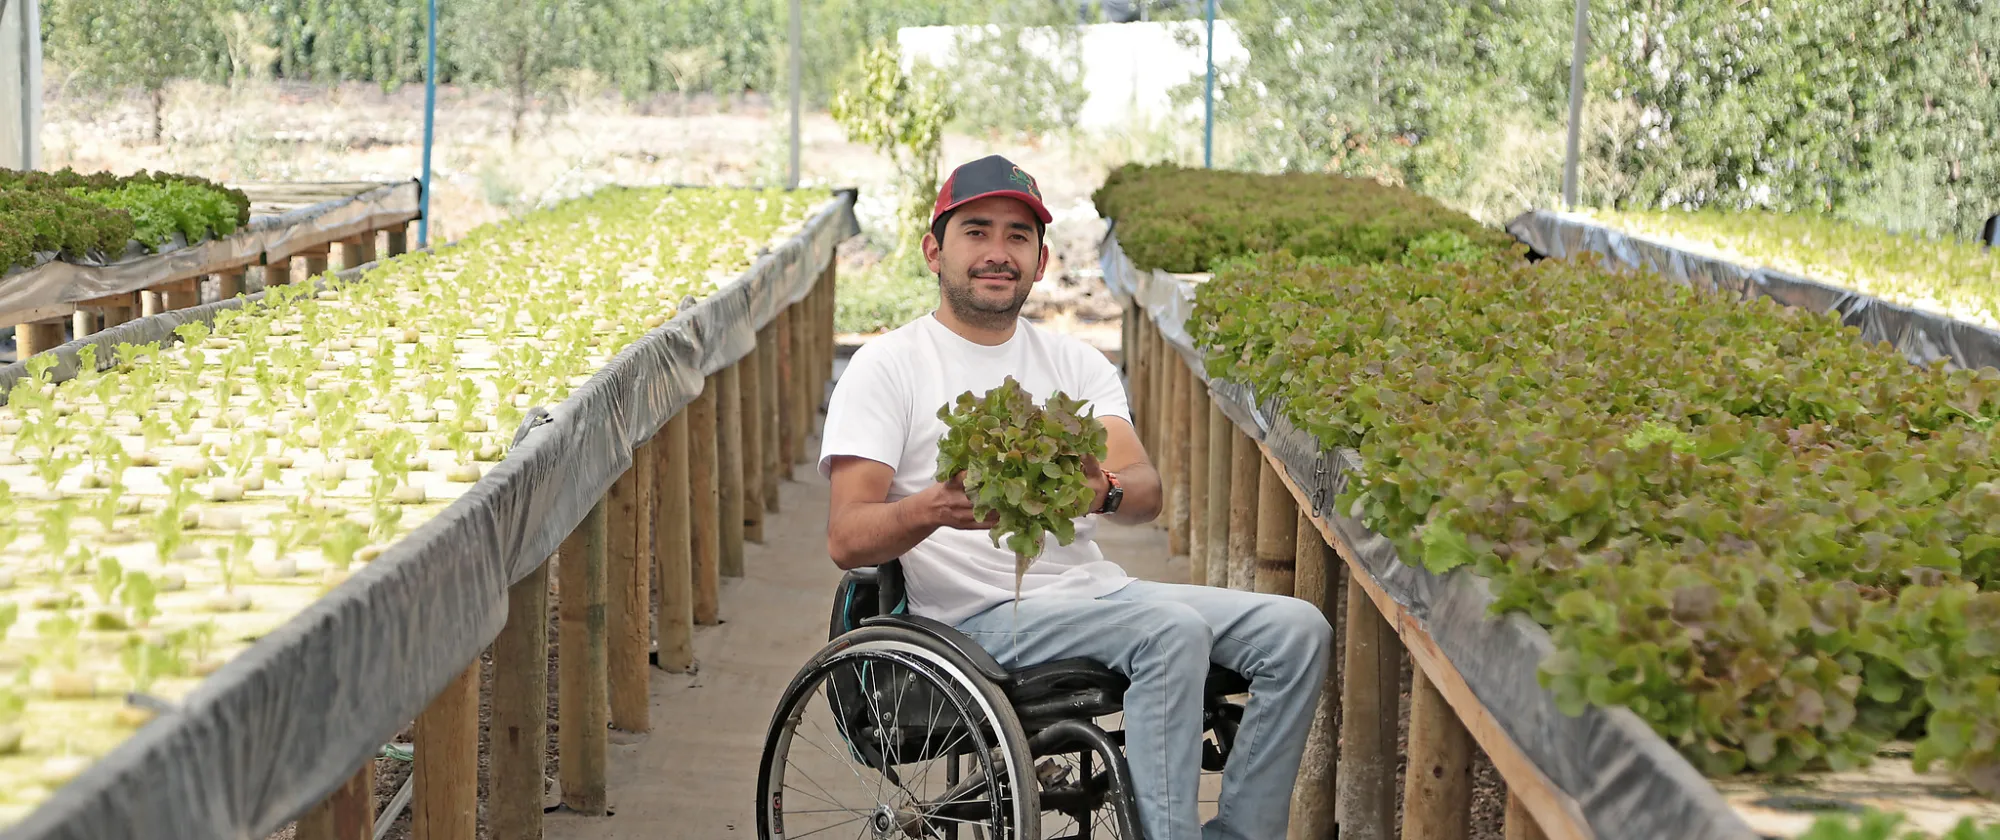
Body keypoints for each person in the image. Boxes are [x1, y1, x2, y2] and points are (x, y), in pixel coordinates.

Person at [818, 154, 1331, 840]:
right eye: (977, 232)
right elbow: (846, 536)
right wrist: (932, 509)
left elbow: (1144, 490)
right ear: (934, 251)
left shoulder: (1073, 364)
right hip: (976, 618)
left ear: (1041, 258)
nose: (998, 253)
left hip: (1097, 596)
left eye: (1018, 236)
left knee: (1298, 633)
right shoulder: (888, 367)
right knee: (1170, 631)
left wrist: (1103, 491)